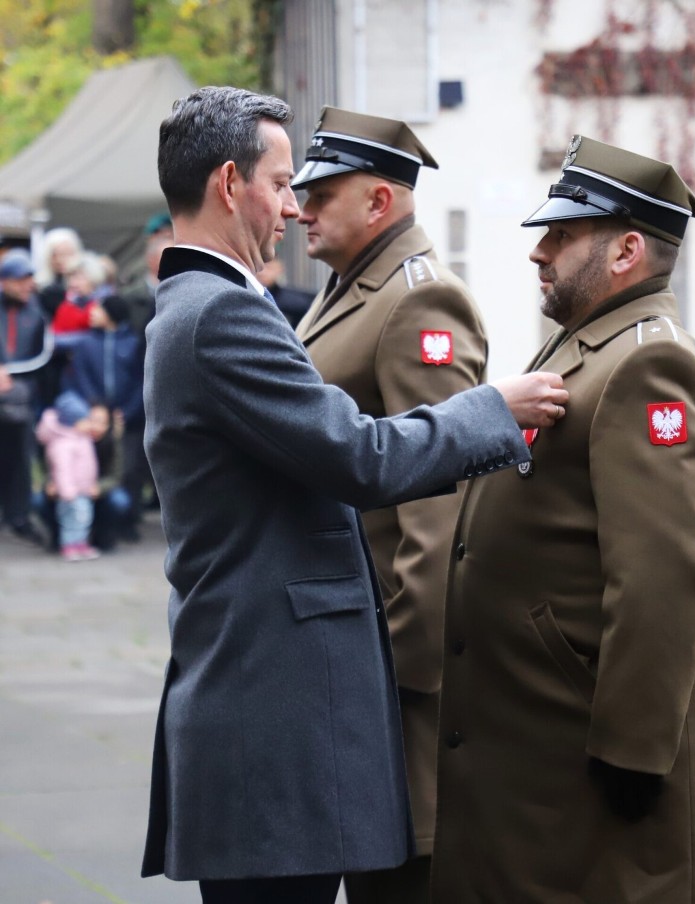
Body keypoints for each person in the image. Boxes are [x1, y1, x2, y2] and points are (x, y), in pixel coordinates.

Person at [140, 85, 568, 904]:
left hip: (261, 685)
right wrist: (492, 411)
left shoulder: (202, 306)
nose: (291, 208)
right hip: (277, 699)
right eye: (279, 182)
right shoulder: (220, 314)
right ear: (231, 185)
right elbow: (359, 457)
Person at [430, 135, 695, 903]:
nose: (540, 252)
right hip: (541, 734)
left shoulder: (648, 363)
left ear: (627, 249)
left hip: (598, 749)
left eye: (563, 236)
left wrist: (633, 755)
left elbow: (662, 575)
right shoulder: (587, 343)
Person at [292, 105, 488, 904]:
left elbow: (441, 507)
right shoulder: (349, 289)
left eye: (323, 193)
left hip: (394, 678)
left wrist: (399, 675)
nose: (302, 208)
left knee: (405, 880)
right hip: (350, 655)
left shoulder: (418, 302)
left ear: (380, 202)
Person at [64, 294, 146, 536]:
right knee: (94, 467)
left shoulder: (132, 343)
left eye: (98, 309)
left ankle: (130, 519)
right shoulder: (86, 344)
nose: (91, 312)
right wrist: (95, 408)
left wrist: (128, 410)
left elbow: (140, 380)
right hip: (95, 417)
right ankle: (94, 524)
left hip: (126, 417)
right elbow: (80, 377)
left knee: (130, 469)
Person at [0, 248, 52, 544]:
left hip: (22, 397)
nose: (26, 286)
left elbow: (43, 354)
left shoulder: (37, 311)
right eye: (20, 280)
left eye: (29, 279)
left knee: (21, 457)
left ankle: (19, 515)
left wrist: (10, 373)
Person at [35, 389, 100, 562]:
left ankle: (80, 544)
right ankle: (70, 545)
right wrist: (68, 492)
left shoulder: (81, 438)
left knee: (83, 519)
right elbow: (62, 471)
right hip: (71, 493)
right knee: (72, 520)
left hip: (83, 489)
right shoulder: (63, 445)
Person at [35, 227, 84, 318]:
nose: (60, 260)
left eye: (67, 254)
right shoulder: (41, 288)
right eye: (55, 255)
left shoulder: (85, 287)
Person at [257, 255, 313, 327]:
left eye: (268, 268)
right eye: (259, 268)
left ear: (279, 269)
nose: (262, 273)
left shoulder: (296, 303)